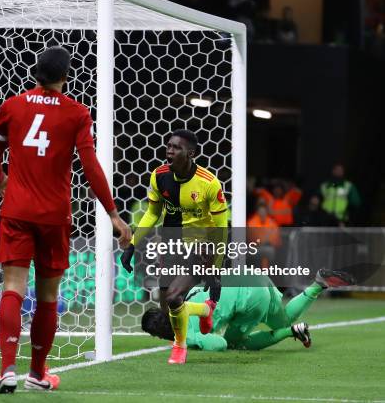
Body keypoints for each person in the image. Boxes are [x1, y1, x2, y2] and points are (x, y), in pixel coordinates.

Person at [0, 46, 131, 393]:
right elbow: (91, 167)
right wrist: (113, 214)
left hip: (17, 212)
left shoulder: (12, 106)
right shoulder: (76, 114)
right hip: (54, 216)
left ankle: (7, 369)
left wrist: (4, 182)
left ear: (36, 73)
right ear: (66, 76)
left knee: (13, 287)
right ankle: (37, 373)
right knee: (48, 295)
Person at [119, 129, 228, 364]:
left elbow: (221, 229)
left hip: (201, 247)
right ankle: (204, 310)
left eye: (176, 147)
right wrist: (132, 245)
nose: (169, 150)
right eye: (168, 145)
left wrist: (215, 268)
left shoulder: (209, 183)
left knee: (174, 296)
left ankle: (179, 347)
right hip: (171, 243)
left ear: (191, 153)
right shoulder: (159, 176)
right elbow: (152, 213)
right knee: (168, 306)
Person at [142, 269, 356, 352]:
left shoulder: (184, 331)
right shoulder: (187, 297)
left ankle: (293, 332)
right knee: (284, 320)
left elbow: (220, 344)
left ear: (158, 334)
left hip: (249, 296)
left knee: (235, 342)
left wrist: (193, 342)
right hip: (254, 276)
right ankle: (318, 284)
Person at [247, 203, 281, 268]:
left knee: (268, 251)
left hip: (269, 247)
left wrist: (266, 240)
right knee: (267, 251)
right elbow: (253, 238)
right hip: (254, 248)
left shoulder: (271, 222)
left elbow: (275, 236)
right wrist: (264, 239)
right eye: (260, 211)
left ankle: (265, 274)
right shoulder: (252, 222)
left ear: (266, 212)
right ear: (257, 212)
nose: (262, 213)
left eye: (264, 211)